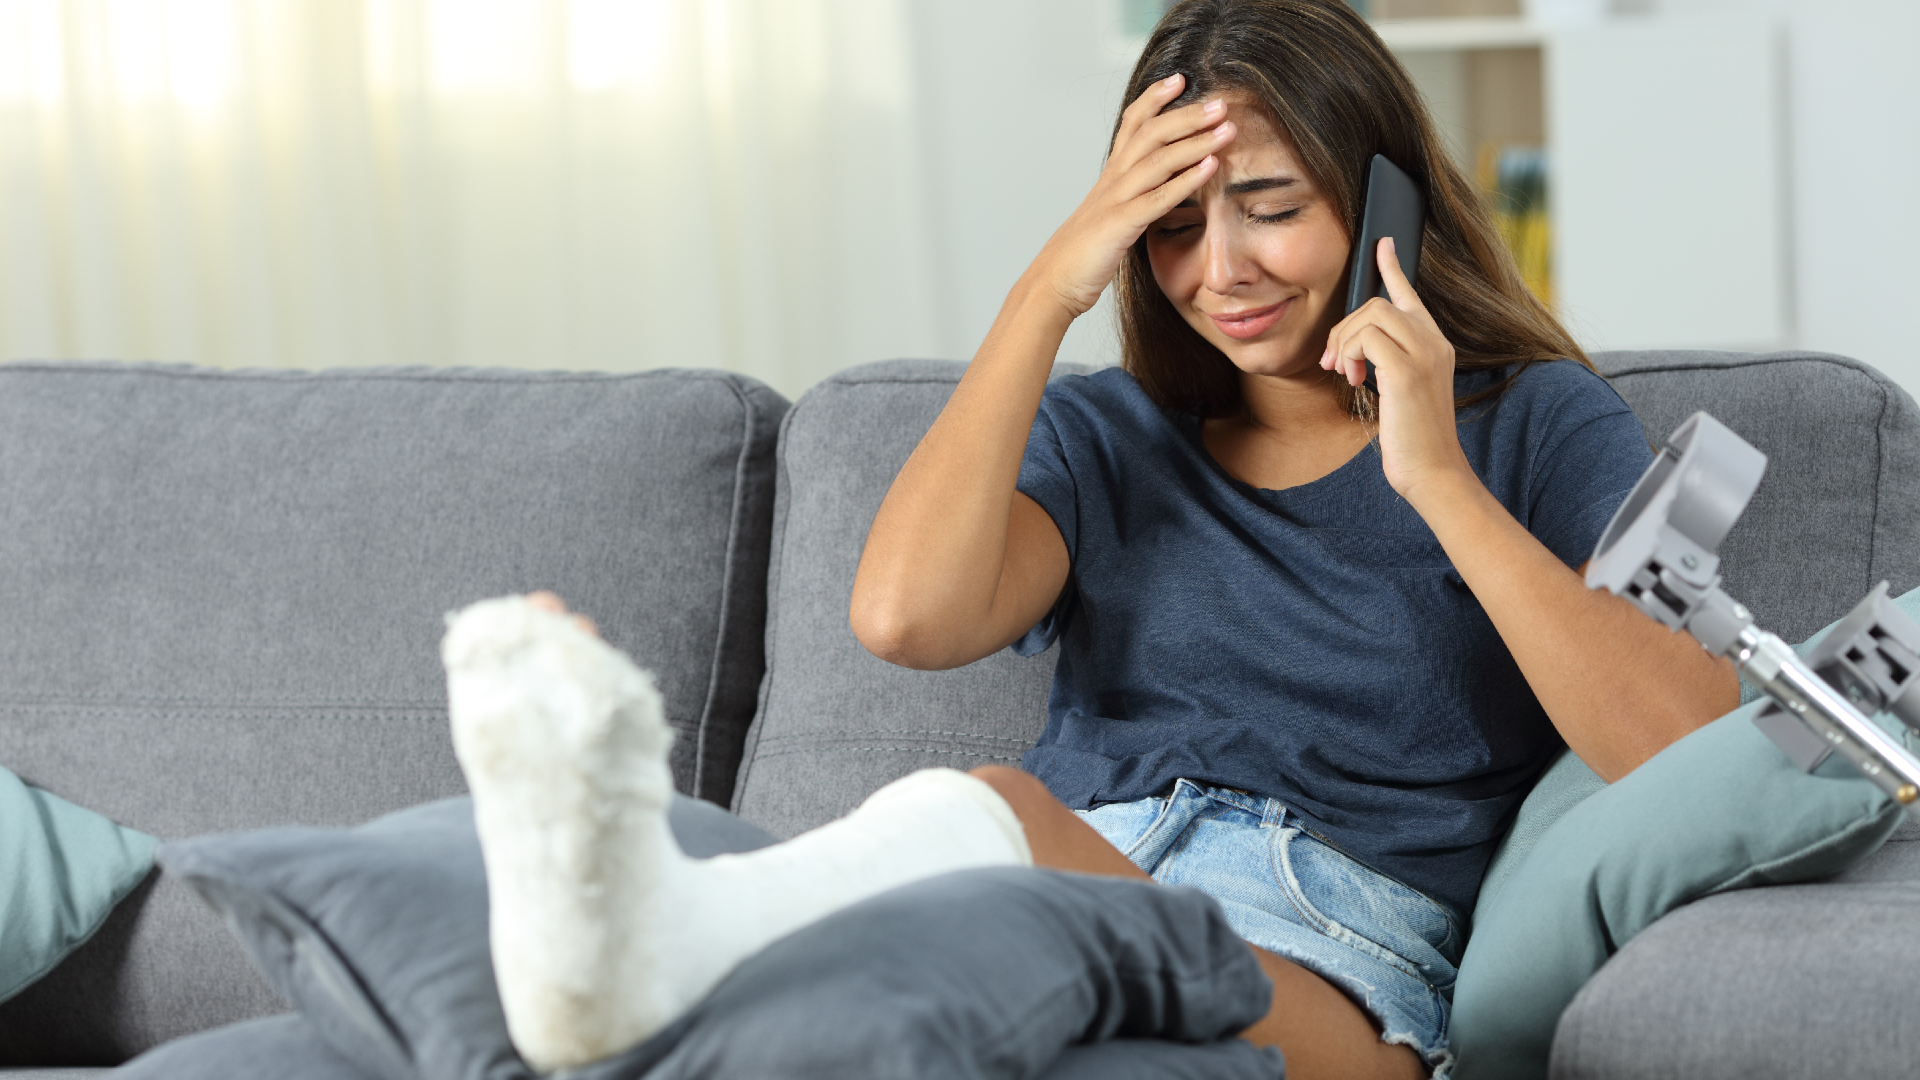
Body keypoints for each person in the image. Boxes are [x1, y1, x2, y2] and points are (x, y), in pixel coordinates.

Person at [442, 2, 1737, 1078]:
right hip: (1065, 874)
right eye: (1171, 224)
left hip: (1338, 952)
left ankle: (654, 920)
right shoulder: (1113, 433)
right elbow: (904, 619)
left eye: (1270, 206)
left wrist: (1436, 478)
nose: (1217, 267)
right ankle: (650, 932)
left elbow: (1686, 741)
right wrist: (1047, 288)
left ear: (1382, 203)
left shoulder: (1536, 424)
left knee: (983, 836)